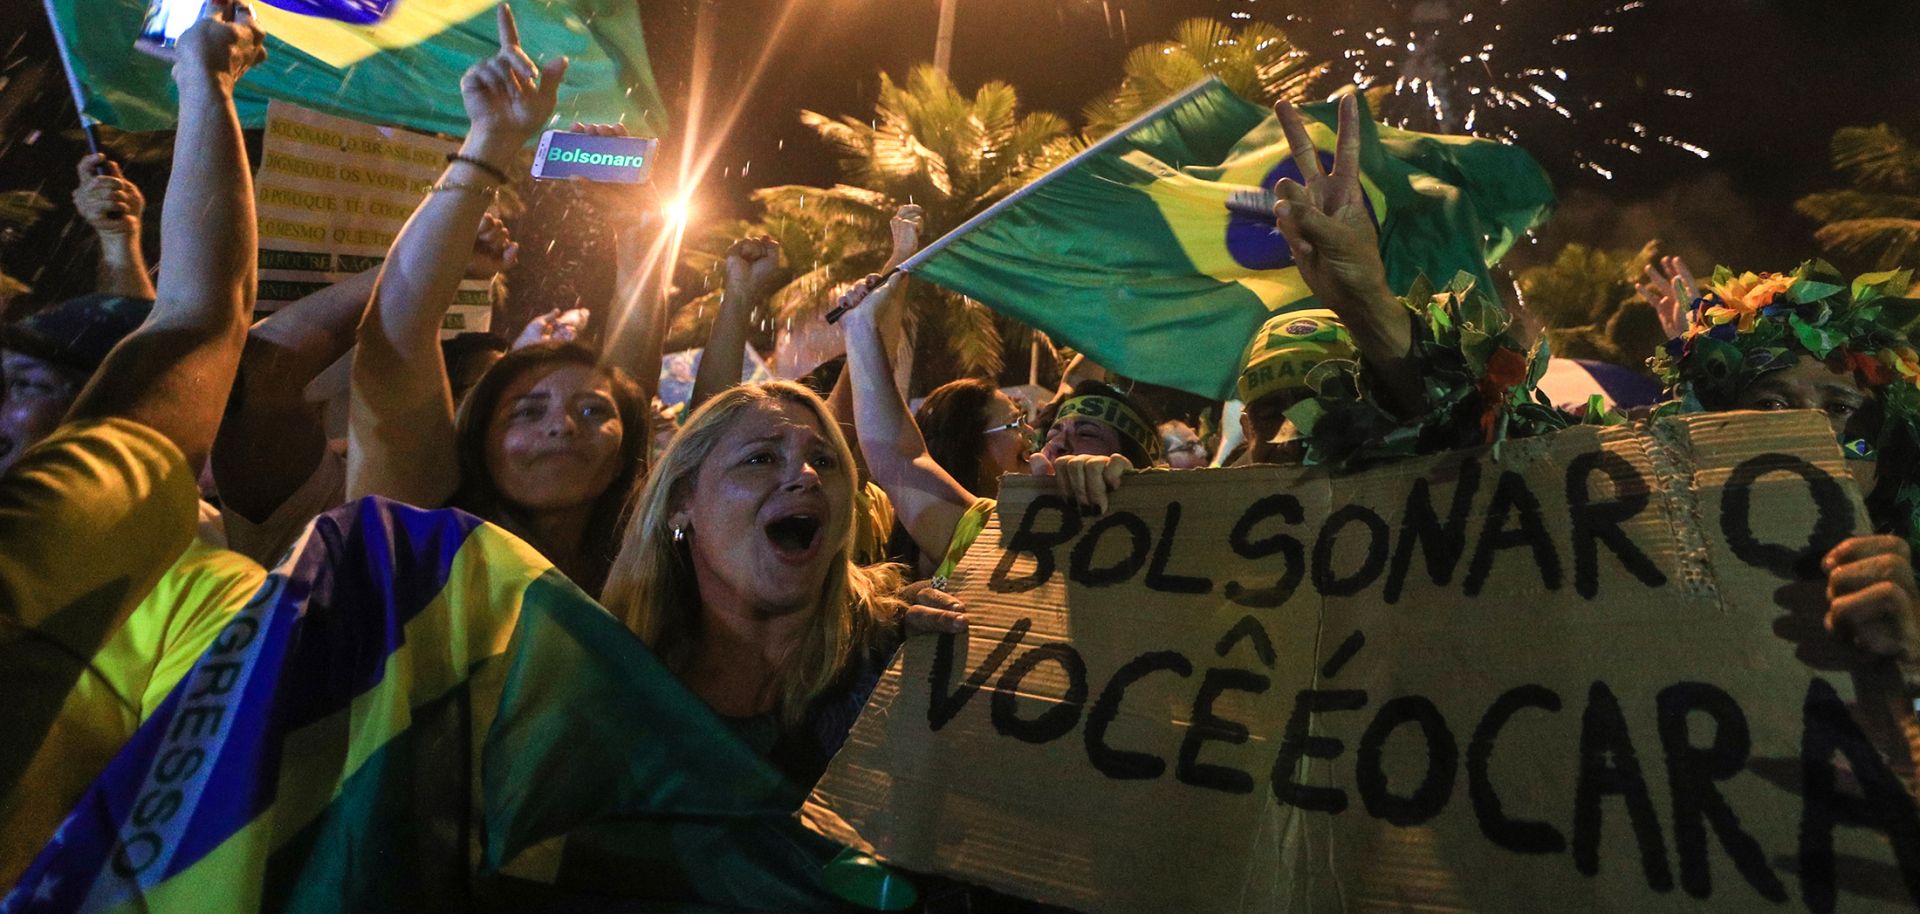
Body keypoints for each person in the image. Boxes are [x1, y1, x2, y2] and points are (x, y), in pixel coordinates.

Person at [0, 0, 268, 881]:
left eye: (24, 388)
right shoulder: (48, 540)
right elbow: (200, 315)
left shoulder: (210, 588)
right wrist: (204, 77)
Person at [348, 8, 653, 595]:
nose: (563, 428)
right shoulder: (425, 529)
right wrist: (490, 140)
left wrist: (640, 228)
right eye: (526, 412)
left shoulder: (640, 567)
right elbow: (395, 333)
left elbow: (635, 360)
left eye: (594, 411)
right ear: (476, 439)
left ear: (629, 448)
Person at [599, 380, 960, 788]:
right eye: (761, 458)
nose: (807, 476)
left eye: (824, 461)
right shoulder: (610, 684)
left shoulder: (894, 649)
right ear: (682, 502)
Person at [841, 272, 1134, 587]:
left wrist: (1134, 493)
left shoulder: (1141, 526)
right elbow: (897, 455)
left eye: (1088, 434)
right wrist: (861, 326)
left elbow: (1074, 386)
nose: (1044, 438)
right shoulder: (986, 533)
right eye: (1015, 423)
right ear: (969, 447)